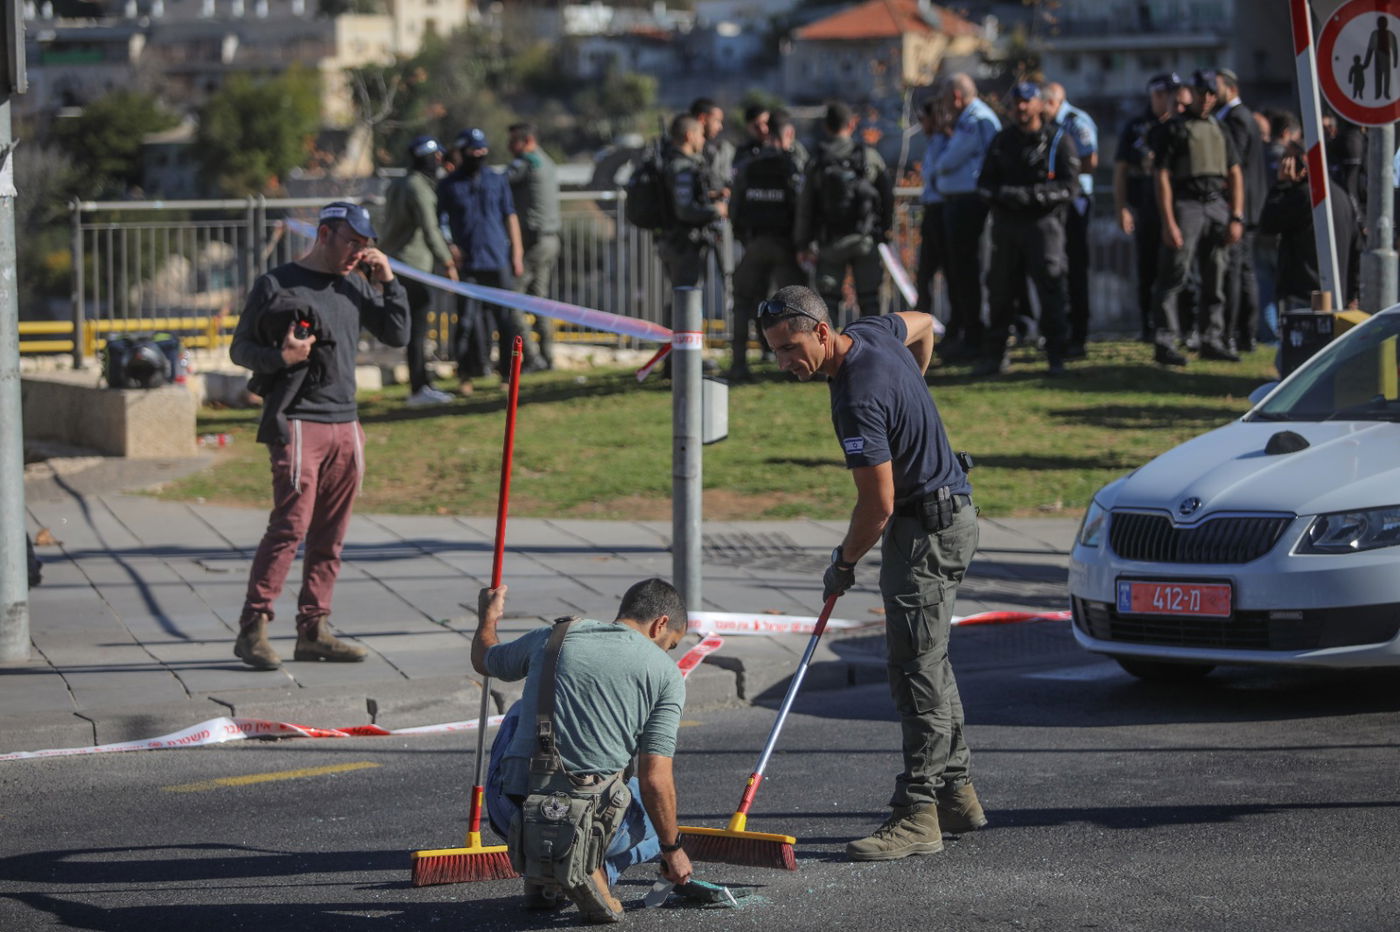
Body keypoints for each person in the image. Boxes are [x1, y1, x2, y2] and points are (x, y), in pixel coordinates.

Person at [757, 285, 982, 862]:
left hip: (922, 534)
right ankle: (956, 795)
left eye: (790, 346)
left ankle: (918, 814)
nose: (784, 362)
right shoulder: (876, 333)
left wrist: (843, 563)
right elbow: (927, 321)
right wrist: (914, 392)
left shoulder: (856, 397)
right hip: (954, 514)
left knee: (914, 671)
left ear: (822, 332)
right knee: (932, 659)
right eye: (774, 351)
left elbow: (876, 506)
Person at [229, 201, 409, 670]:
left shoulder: (354, 283)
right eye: (351, 242)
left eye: (365, 244)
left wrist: (387, 280)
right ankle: (254, 628)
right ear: (324, 234)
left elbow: (397, 333)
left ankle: (313, 630)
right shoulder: (276, 283)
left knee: (332, 534)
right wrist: (281, 360)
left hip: (346, 423)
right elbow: (240, 348)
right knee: (290, 527)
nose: (358, 252)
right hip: (299, 422)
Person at [477, 578, 693, 920]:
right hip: (591, 822)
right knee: (655, 814)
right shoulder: (665, 675)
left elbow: (483, 659)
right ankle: (597, 868)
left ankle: (543, 870)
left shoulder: (553, 636)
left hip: (512, 811)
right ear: (660, 624)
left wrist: (487, 618)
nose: (667, 652)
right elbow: (656, 780)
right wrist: (674, 849)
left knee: (518, 713)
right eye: (671, 644)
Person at [974, 82, 1080, 376]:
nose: (1021, 108)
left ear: (1039, 104)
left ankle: (1056, 356)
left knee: (1051, 289)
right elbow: (984, 183)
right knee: (1000, 291)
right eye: (1016, 102)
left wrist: (1034, 195)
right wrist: (1004, 195)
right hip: (1007, 226)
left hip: (1043, 226)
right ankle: (995, 357)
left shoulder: (1058, 140)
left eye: (1027, 102)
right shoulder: (1001, 142)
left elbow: (1071, 186)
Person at [1149, 70, 1245, 367]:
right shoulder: (1174, 129)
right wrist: (1169, 221)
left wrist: (1236, 215)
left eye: (1211, 94)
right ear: (1191, 93)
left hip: (1216, 203)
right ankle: (1165, 340)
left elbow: (1235, 173)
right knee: (1174, 274)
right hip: (1186, 204)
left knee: (1216, 275)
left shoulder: (1220, 128)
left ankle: (1211, 339)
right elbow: (1161, 176)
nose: (1206, 99)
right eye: (1201, 92)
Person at [437, 127, 536, 395]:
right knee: (467, 322)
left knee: (506, 321)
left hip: (498, 261)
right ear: (462, 151)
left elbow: (510, 216)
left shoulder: (497, 180)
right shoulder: (448, 185)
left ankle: (506, 374)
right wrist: (450, 250)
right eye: (473, 150)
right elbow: (440, 222)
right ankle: (466, 375)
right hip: (468, 264)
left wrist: (516, 254)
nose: (479, 154)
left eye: (483, 149)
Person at [794, 100, 894, 320]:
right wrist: (885, 231)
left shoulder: (817, 162)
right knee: (870, 301)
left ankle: (829, 352)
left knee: (827, 304)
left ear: (826, 127)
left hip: (830, 242)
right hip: (865, 239)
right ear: (852, 124)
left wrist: (803, 242)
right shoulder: (869, 157)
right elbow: (887, 196)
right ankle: (874, 350)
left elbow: (806, 206)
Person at [379, 135, 458, 407]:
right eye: (436, 157)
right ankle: (418, 387)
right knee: (418, 330)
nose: (439, 161)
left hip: (395, 264)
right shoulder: (418, 188)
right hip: (414, 268)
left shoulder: (398, 184)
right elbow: (430, 228)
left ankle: (422, 382)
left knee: (412, 328)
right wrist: (448, 262)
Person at [729, 110, 805, 380]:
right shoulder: (792, 166)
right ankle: (798, 365)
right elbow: (801, 210)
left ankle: (738, 363)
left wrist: (746, 239)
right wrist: (801, 244)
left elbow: (734, 209)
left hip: (755, 244)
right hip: (784, 246)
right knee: (796, 306)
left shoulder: (749, 165)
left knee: (741, 300)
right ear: (787, 134)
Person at [933, 74, 1000, 359]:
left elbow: (950, 160)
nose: (946, 105)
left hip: (969, 204)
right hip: (959, 203)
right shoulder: (969, 119)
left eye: (947, 99)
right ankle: (964, 329)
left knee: (968, 271)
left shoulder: (976, 119)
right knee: (958, 272)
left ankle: (975, 335)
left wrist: (940, 166)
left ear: (957, 97)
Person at [1115, 73, 1183, 342]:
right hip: (1146, 208)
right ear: (1155, 95)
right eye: (1166, 94)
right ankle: (1148, 327)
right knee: (1147, 270)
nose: (1170, 100)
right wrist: (1122, 207)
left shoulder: (1182, 124)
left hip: (1180, 209)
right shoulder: (1136, 128)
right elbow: (1120, 171)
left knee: (1180, 270)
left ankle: (1181, 328)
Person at [1258, 142, 1361, 311]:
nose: (1283, 165)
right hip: (1337, 295)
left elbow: (1268, 224)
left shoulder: (1305, 195)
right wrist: (1352, 294)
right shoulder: (1341, 196)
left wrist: (1281, 185)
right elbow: (1357, 249)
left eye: (1288, 159)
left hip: (1304, 296)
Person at [1042, 82, 1099, 358]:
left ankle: (1078, 335)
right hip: (1056, 202)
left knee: (1076, 270)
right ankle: (1057, 331)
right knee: (1055, 269)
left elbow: (1090, 159)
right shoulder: (1046, 124)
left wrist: (1065, 171)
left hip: (1076, 201)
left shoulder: (1076, 122)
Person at [1215, 68, 1267, 353]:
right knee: (1244, 270)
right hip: (1248, 205)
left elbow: (1234, 164)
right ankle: (1245, 334)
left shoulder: (1236, 119)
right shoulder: (1242, 117)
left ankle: (1236, 333)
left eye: (1217, 87)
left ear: (1231, 89)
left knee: (1237, 271)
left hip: (1241, 206)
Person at [658, 113, 726, 330]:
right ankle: (684, 360)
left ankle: (678, 358)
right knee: (686, 300)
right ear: (689, 135)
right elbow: (685, 210)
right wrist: (715, 210)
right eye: (699, 135)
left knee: (682, 299)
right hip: (683, 244)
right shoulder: (682, 167)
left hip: (675, 242)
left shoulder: (673, 162)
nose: (703, 140)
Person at [507, 122, 562, 371]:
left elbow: (500, 182)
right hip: (550, 240)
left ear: (526, 140)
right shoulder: (547, 161)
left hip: (534, 242)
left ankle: (532, 356)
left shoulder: (526, 163)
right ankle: (548, 356)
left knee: (512, 301)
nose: (510, 147)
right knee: (540, 301)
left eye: (513, 142)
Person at [915, 98, 948, 320]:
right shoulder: (935, 142)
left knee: (940, 269)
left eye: (922, 119)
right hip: (933, 209)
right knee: (924, 271)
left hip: (941, 209)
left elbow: (935, 173)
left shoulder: (943, 142)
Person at [730, 102, 770, 178]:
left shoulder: (785, 148)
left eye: (766, 123)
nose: (763, 129)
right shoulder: (743, 152)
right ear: (748, 128)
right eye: (756, 126)